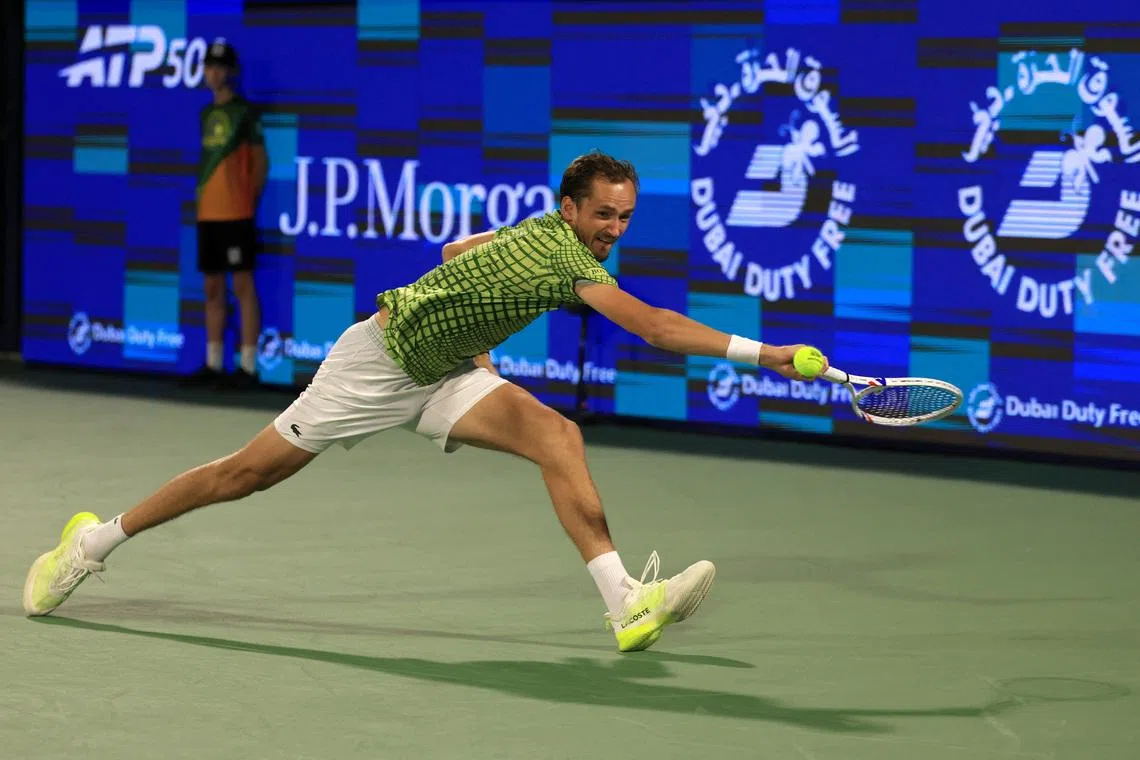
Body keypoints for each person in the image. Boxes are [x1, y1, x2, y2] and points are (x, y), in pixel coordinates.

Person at [23, 152, 826, 652]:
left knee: (558, 437)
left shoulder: (545, 229)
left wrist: (470, 328)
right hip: (375, 364)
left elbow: (451, 252)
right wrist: (770, 354)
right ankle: (92, 546)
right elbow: (652, 328)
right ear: (572, 207)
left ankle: (625, 604)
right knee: (247, 475)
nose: (612, 229)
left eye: (624, 217)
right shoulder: (566, 256)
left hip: (445, 368)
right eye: (602, 215)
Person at [184, 38, 268, 389]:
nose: (214, 73)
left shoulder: (245, 113)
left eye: (220, 67)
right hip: (208, 215)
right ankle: (214, 362)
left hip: (237, 214)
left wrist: (247, 203)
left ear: (231, 71)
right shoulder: (205, 114)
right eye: (209, 66)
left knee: (243, 285)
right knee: (212, 287)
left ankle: (248, 366)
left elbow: (261, 163)